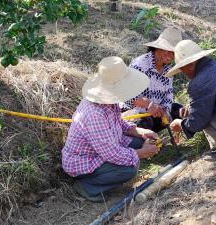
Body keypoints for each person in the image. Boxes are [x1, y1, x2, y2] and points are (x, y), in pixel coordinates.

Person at [62, 56, 161, 202]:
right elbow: (111, 153)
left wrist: (141, 132)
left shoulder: (109, 101)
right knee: (129, 169)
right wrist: (141, 153)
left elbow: (120, 124)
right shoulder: (95, 113)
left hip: (101, 151)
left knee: (138, 143)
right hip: (83, 162)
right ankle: (87, 187)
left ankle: (103, 177)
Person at [120, 27, 183, 132]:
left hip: (155, 113)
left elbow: (169, 94)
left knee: (179, 110)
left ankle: (151, 137)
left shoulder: (168, 70)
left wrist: (166, 111)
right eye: (167, 51)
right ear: (158, 48)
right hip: (134, 112)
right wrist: (149, 104)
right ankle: (139, 141)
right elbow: (128, 96)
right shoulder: (139, 65)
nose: (170, 56)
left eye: (173, 52)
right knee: (143, 121)